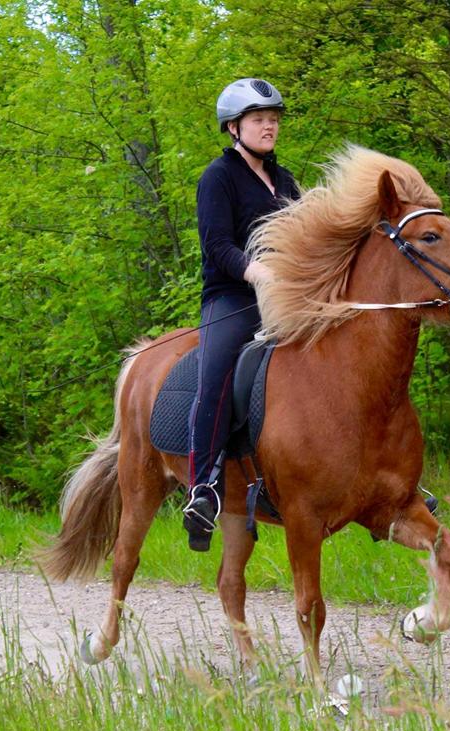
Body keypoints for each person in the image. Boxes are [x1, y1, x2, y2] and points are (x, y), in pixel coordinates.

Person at [183, 78, 301, 552]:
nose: (269, 126)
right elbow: (216, 244)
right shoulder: (219, 177)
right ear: (234, 128)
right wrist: (258, 273)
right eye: (259, 119)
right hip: (234, 297)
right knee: (215, 377)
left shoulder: (287, 180)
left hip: (289, 296)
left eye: (273, 119)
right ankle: (204, 485)